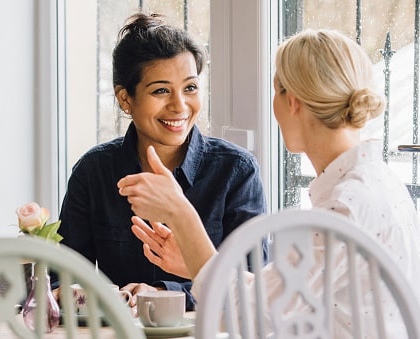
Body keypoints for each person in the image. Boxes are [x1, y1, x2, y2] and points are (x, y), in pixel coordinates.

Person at [118, 29, 420, 336]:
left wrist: (180, 213)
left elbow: (247, 317)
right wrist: (193, 261)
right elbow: (281, 299)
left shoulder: (344, 208)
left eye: (275, 91)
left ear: (292, 101)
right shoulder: (374, 185)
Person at [54, 12, 267, 312]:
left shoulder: (237, 172)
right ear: (125, 99)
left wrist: (160, 293)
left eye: (190, 88)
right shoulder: (93, 172)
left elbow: (256, 286)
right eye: (161, 90)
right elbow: (62, 278)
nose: (179, 105)